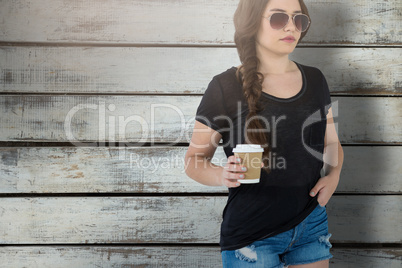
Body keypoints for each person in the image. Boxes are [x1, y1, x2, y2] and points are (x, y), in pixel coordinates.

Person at [184, 0, 344, 267]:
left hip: (310, 225)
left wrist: (335, 175)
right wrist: (221, 174)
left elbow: (331, 142)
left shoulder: (316, 80)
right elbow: (193, 161)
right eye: (279, 18)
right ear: (252, 22)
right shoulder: (224, 86)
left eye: (299, 19)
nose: (292, 27)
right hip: (251, 236)